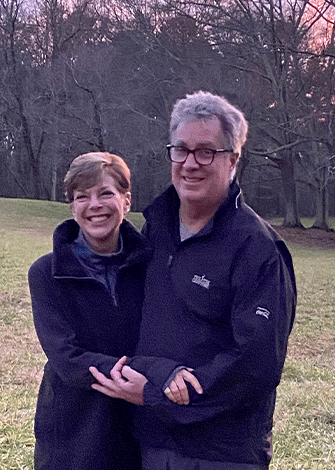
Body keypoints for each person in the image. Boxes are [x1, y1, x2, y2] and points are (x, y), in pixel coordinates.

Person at [91, 91, 297, 469]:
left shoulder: (257, 249)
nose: (190, 163)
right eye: (181, 150)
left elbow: (256, 365)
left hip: (219, 452)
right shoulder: (155, 230)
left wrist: (159, 393)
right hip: (149, 444)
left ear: (233, 160)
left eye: (206, 152)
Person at [28, 152, 148, 470]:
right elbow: (67, 360)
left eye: (106, 193)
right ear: (73, 207)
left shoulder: (152, 268)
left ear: (126, 200)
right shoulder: (45, 273)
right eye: (82, 197)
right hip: (74, 432)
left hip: (140, 430)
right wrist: (145, 378)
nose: (94, 205)